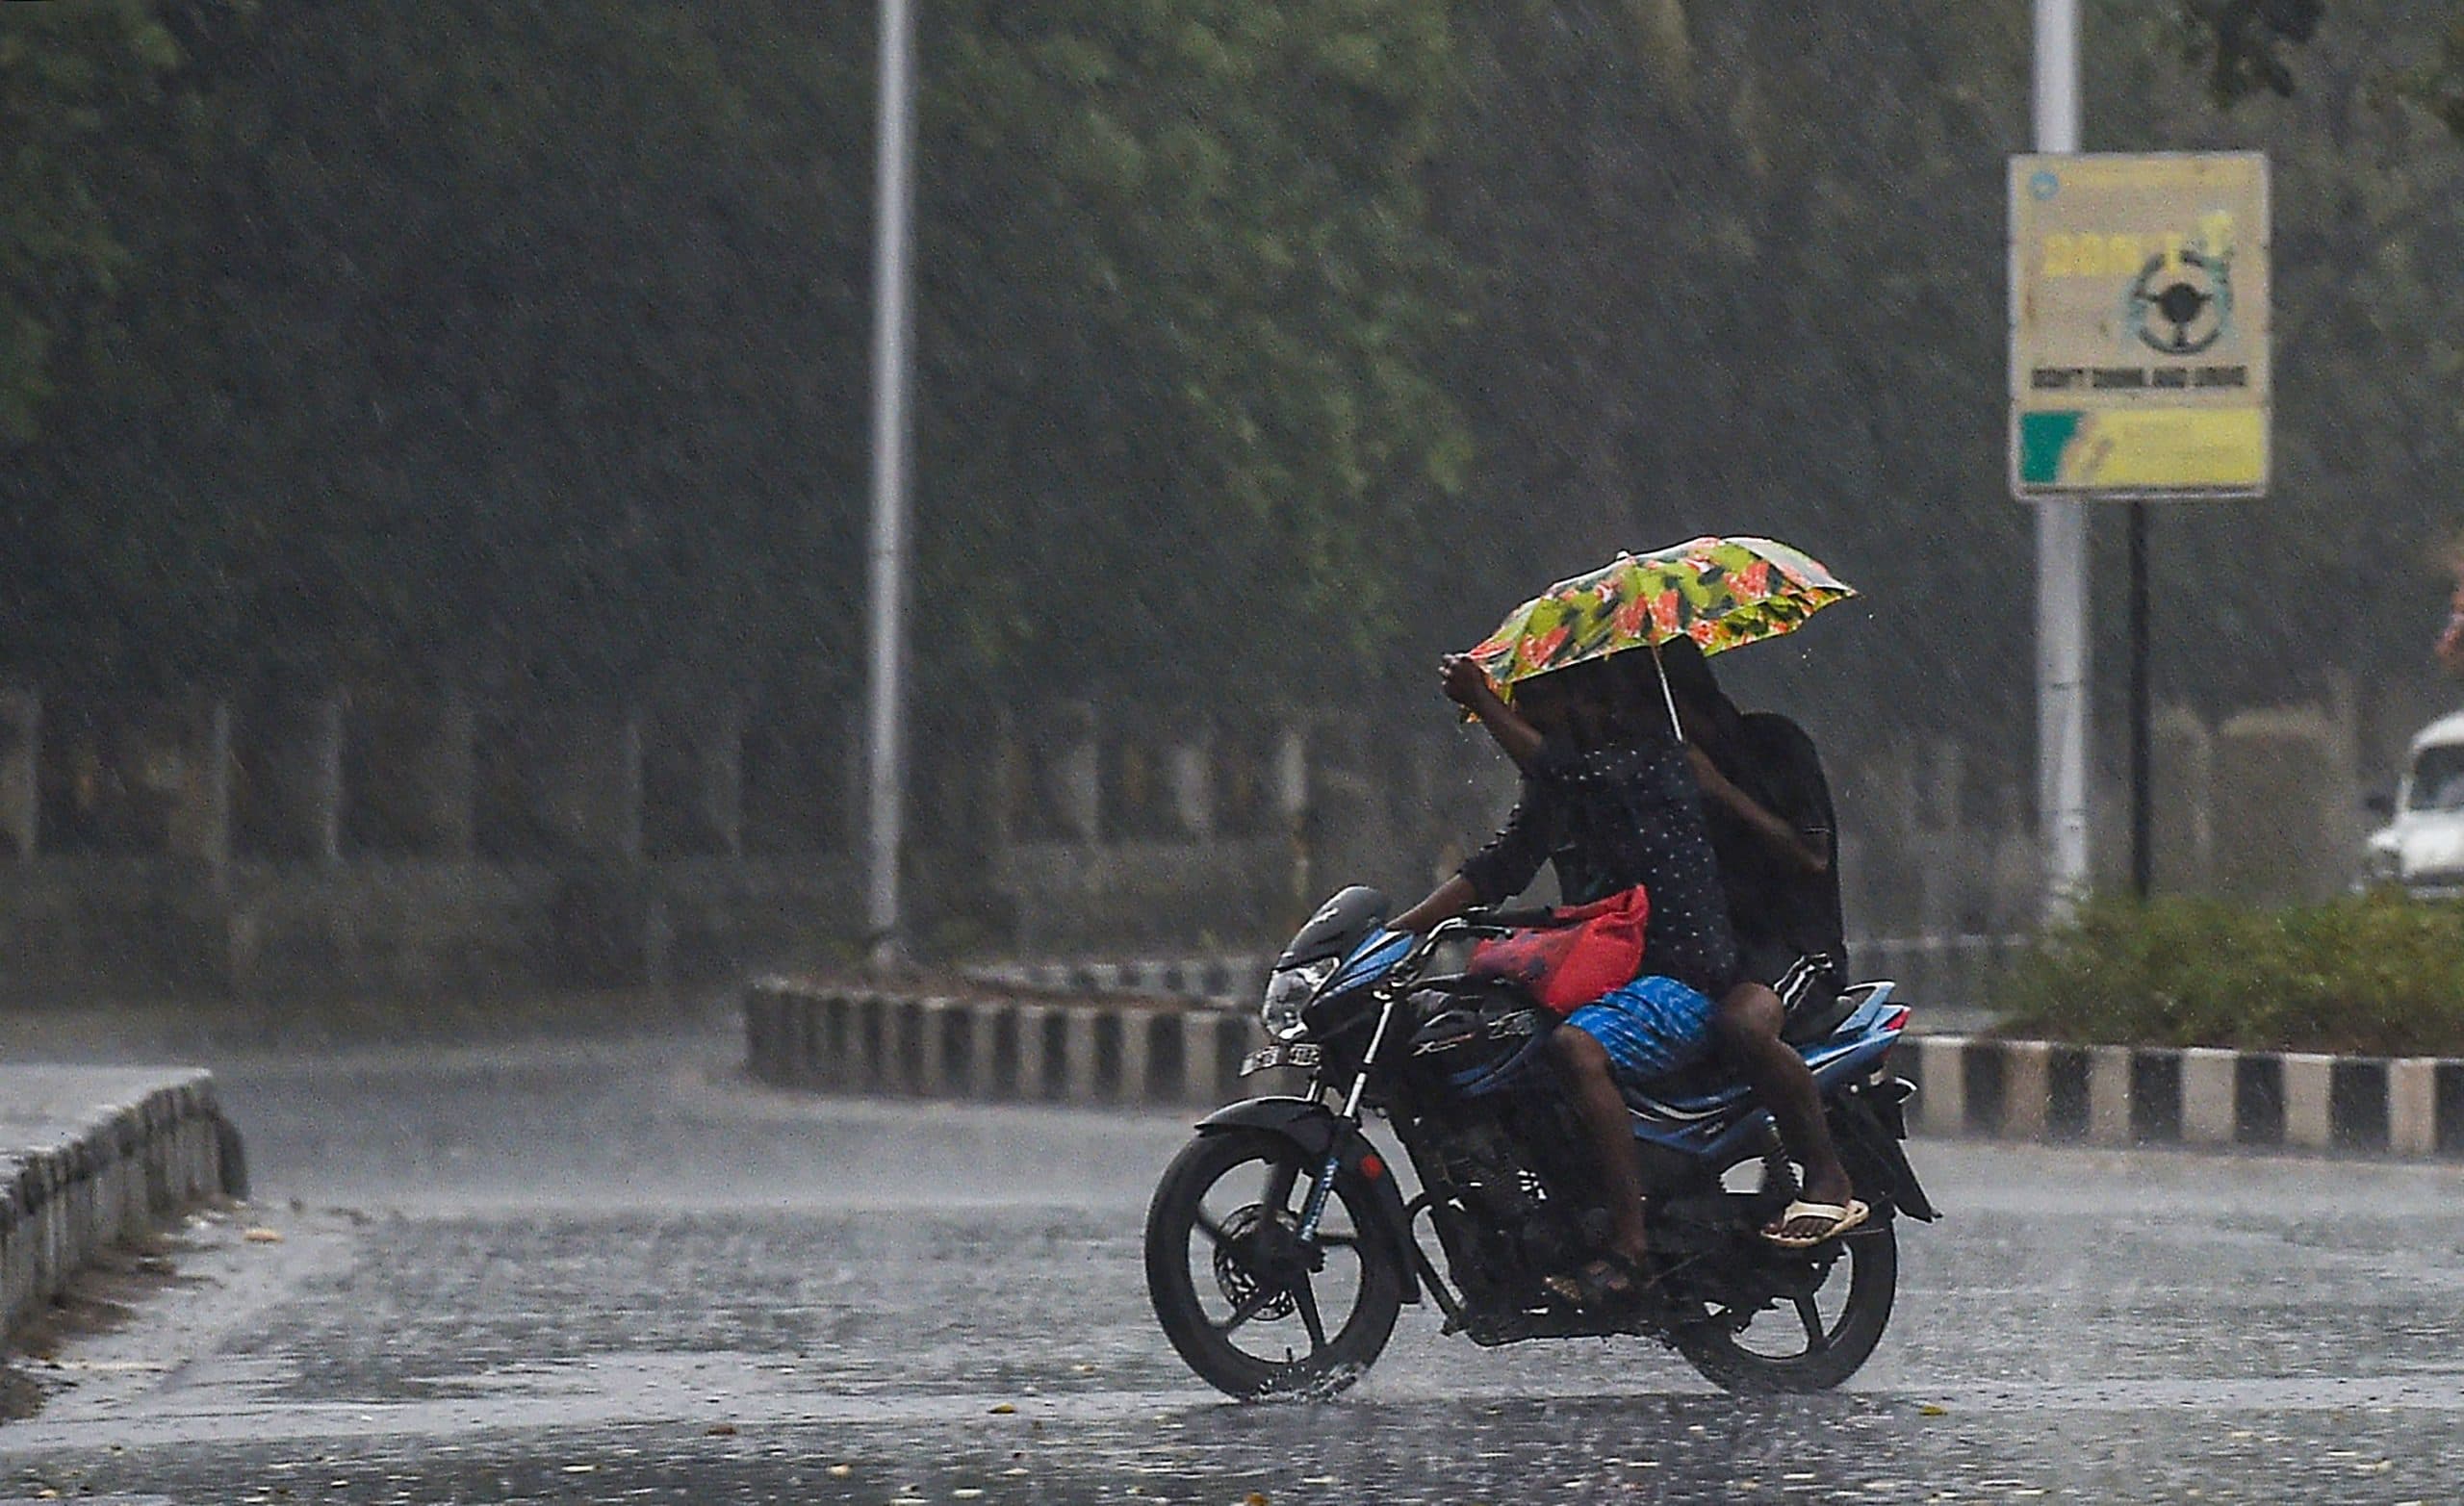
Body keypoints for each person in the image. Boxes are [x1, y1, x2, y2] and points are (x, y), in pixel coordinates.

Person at [1389, 653, 1741, 1309]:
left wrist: (1482, 701)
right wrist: (1397, 932)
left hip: (1678, 975)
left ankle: (1630, 1247)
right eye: (1518, 704)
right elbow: (1502, 865)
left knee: (1577, 1048)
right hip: (1606, 978)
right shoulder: (1566, 784)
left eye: (1536, 703)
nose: (1524, 717)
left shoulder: (1650, 762)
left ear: (1588, 701)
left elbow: (1567, 771)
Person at [1635, 640, 1862, 1248]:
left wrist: (1721, 792)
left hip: (1793, 950)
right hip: (1716, 951)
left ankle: (1826, 1173)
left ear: (1691, 705)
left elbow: (1811, 856)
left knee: (1743, 1025)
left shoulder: (1776, 747)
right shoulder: (1663, 772)